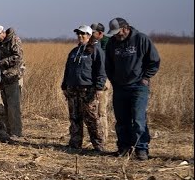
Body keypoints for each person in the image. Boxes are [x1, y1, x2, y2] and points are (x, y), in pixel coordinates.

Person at [103, 17, 161, 160]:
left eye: (118, 32)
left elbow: (154, 61)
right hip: (120, 87)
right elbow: (108, 65)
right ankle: (124, 147)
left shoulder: (141, 39)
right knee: (121, 120)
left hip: (138, 87)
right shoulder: (112, 43)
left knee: (138, 118)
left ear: (125, 28)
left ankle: (141, 149)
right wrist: (114, 81)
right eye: (114, 32)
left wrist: (145, 78)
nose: (117, 35)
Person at [60, 25, 107, 153]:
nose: (80, 36)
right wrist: (64, 85)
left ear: (89, 35)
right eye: (79, 34)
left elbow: (101, 71)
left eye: (83, 34)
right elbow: (67, 70)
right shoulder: (74, 51)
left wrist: (99, 87)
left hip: (88, 89)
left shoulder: (96, 50)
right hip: (72, 89)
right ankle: (75, 144)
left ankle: (98, 146)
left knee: (92, 118)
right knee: (74, 117)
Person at [0, 24, 25, 140]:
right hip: (2, 78)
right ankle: (8, 131)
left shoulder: (14, 40)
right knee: (5, 105)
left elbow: (18, 57)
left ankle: (16, 133)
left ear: (2, 33)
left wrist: (1, 62)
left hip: (14, 76)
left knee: (13, 106)